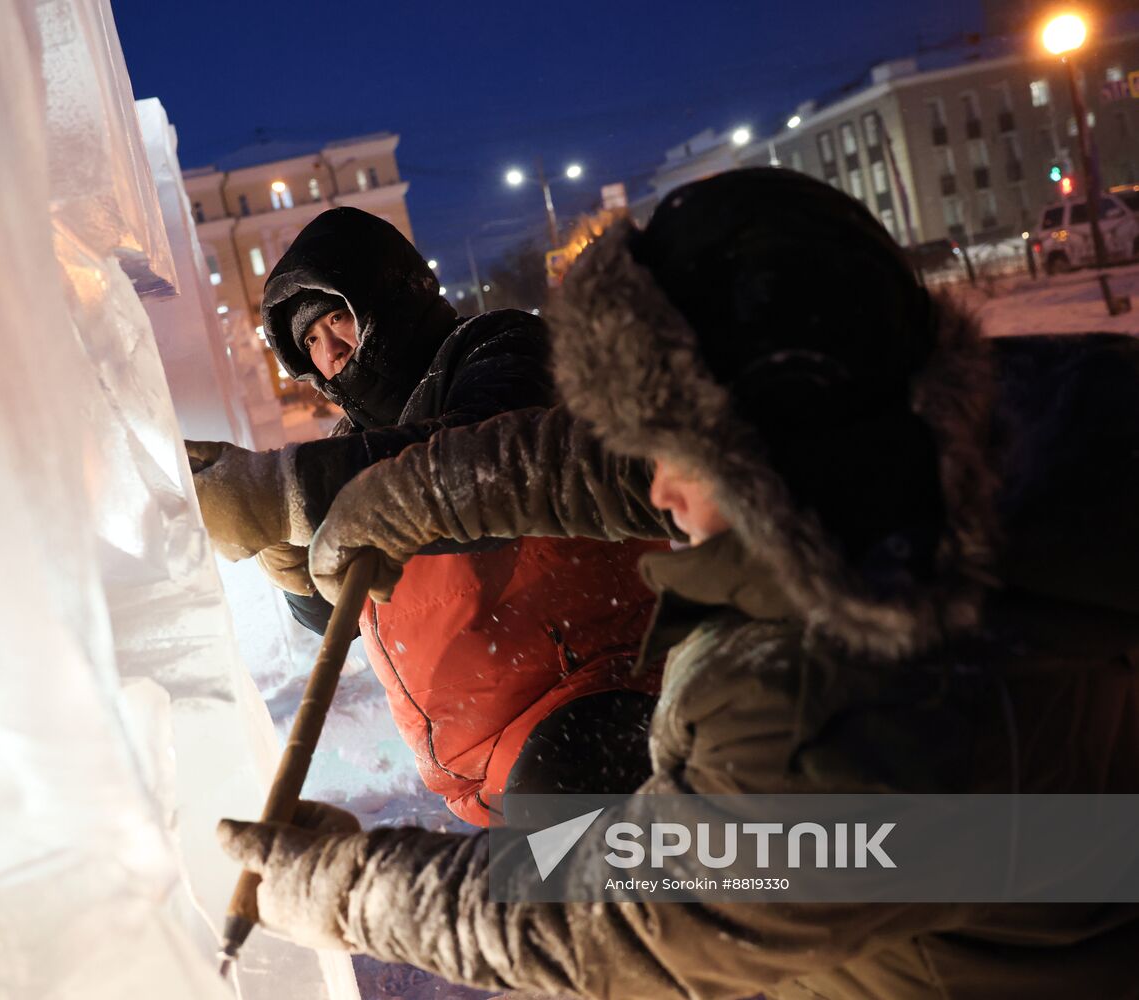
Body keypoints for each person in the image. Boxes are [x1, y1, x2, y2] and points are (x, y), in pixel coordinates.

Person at [217, 170, 1139, 999]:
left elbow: (603, 911)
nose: (653, 490)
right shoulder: (955, 428)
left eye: (674, 446)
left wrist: (353, 888)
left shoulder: (841, 716)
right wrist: (404, 496)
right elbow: (586, 464)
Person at [187, 207, 671, 825]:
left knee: (591, 910)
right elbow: (351, 614)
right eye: (310, 342)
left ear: (386, 299)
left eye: (338, 320)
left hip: (588, 708)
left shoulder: (495, 346)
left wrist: (286, 491)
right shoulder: (352, 440)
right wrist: (297, 570)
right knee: (528, 909)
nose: (330, 351)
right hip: (484, 766)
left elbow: (487, 461)